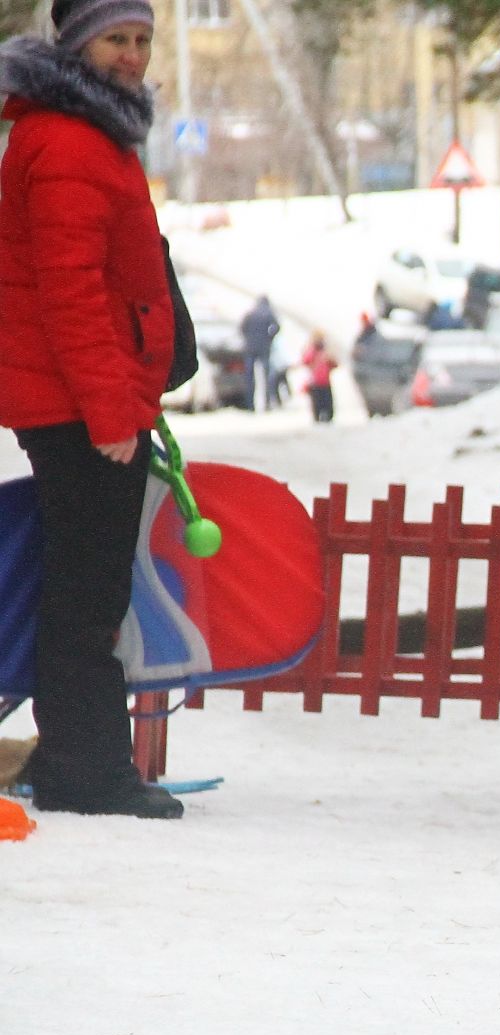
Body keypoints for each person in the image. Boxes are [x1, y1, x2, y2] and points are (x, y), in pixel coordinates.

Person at [0, 0, 183, 818]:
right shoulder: (71, 140)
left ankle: (81, 757)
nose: (134, 56)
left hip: (83, 399)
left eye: (142, 40)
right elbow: (70, 294)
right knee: (86, 594)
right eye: (117, 39)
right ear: (78, 45)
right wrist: (113, 412)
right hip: (79, 405)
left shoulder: (88, 131)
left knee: (86, 586)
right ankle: (87, 768)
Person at [240, 294, 279, 411]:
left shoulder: (250, 313)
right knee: (266, 376)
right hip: (264, 348)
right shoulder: (268, 313)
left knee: (249, 377)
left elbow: (242, 328)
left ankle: (250, 405)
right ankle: (266, 403)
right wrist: (269, 337)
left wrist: (248, 339)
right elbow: (277, 327)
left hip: (250, 348)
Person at [302, 330, 337, 424]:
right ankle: (317, 417)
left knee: (327, 403)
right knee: (317, 404)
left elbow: (335, 364)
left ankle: (328, 416)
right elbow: (305, 360)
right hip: (315, 382)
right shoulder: (311, 351)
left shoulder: (326, 351)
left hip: (325, 381)